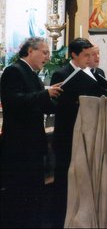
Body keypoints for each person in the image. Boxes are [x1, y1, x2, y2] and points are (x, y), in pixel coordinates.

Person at [0, 37, 62, 228]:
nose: (48, 57)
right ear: (30, 51)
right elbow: (13, 100)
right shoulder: (14, 70)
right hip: (19, 144)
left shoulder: (32, 74)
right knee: (19, 192)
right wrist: (45, 94)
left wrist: (65, 99)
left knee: (34, 190)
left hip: (33, 143)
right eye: (44, 52)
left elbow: (44, 106)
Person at [50, 37, 95, 227]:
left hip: (85, 132)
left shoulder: (90, 73)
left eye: (91, 55)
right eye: (86, 55)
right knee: (63, 179)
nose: (89, 59)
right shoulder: (61, 73)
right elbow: (55, 105)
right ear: (74, 55)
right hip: (66, 134)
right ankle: (60, 220)